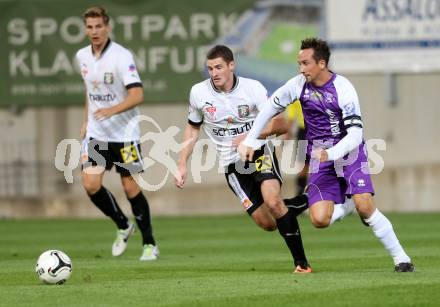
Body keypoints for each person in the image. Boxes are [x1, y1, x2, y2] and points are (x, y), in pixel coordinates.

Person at [239, 37, 414, 272]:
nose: (301, 69)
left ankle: (401, 258)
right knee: (319, 220)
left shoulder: (343, 88)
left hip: (349, 152)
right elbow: (270, 108)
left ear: (321, 63)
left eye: (305, 63)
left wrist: (331, 153)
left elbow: (354, 134)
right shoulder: (297, 84)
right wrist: (251, 139)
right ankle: (346, 206)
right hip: (320, 156)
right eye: (299, 63)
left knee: (365, 206)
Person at [174, 45, 311, 273]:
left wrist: (251, 136)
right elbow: (192, 128)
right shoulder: (199, 93)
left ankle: (302, 264)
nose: (214, 73)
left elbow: (281, 124)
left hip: (259, 152)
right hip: (231, 165)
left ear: (231, 65)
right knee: (267, 222)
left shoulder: (253, 89)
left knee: (274, 201)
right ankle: (310, 198)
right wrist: (181, 164)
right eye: (210, 68)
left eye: (219, 67)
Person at [76, 6, 158, 261]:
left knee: (129, 186)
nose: (94, 31)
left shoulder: (122, 56)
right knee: (90, 185)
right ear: (85, 29)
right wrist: (85, 121)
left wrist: (112, 110)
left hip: (125, 133)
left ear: (107, 27)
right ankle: (123, 225)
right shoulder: (82, 56)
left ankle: (149, 244)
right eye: (90, 27)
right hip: (97, 132)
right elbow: (90, 91)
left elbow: (137, 94)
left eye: (98, 26)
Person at [285, 101, 308, 195]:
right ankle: (300, 194)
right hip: (303, 131)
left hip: (319, 131)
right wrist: (288, 131)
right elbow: (291, 113)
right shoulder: (296, 92)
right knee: (302, 165)